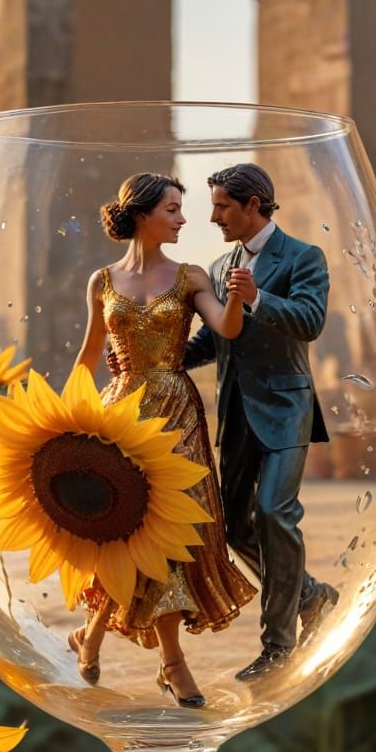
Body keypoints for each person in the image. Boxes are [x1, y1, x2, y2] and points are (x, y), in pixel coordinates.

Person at [71, 172, 257, 708]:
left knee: (171, 537)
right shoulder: (102, 281)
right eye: (173, 209)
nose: (182, 219)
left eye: (183, 209)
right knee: (120, 532)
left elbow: (225, 329)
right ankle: (97, 634)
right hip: (120, 413)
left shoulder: (191, 276)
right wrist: (66, 420)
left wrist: (240, 299)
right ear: (143, 214)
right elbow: (88, 355)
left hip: (176, 415)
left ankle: (166, 660)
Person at [185, 163, 338, 682]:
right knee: (232, 526)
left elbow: (311, 320)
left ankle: (278, 648)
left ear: (254, 205)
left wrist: (258, 298)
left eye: (223, 206)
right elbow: (216, 338)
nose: (214, 217)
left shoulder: (303, 257)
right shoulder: (221, 262)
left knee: (274, 513)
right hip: (235, 414)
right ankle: (312, 595)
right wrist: (162, 359)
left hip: (285, 410)